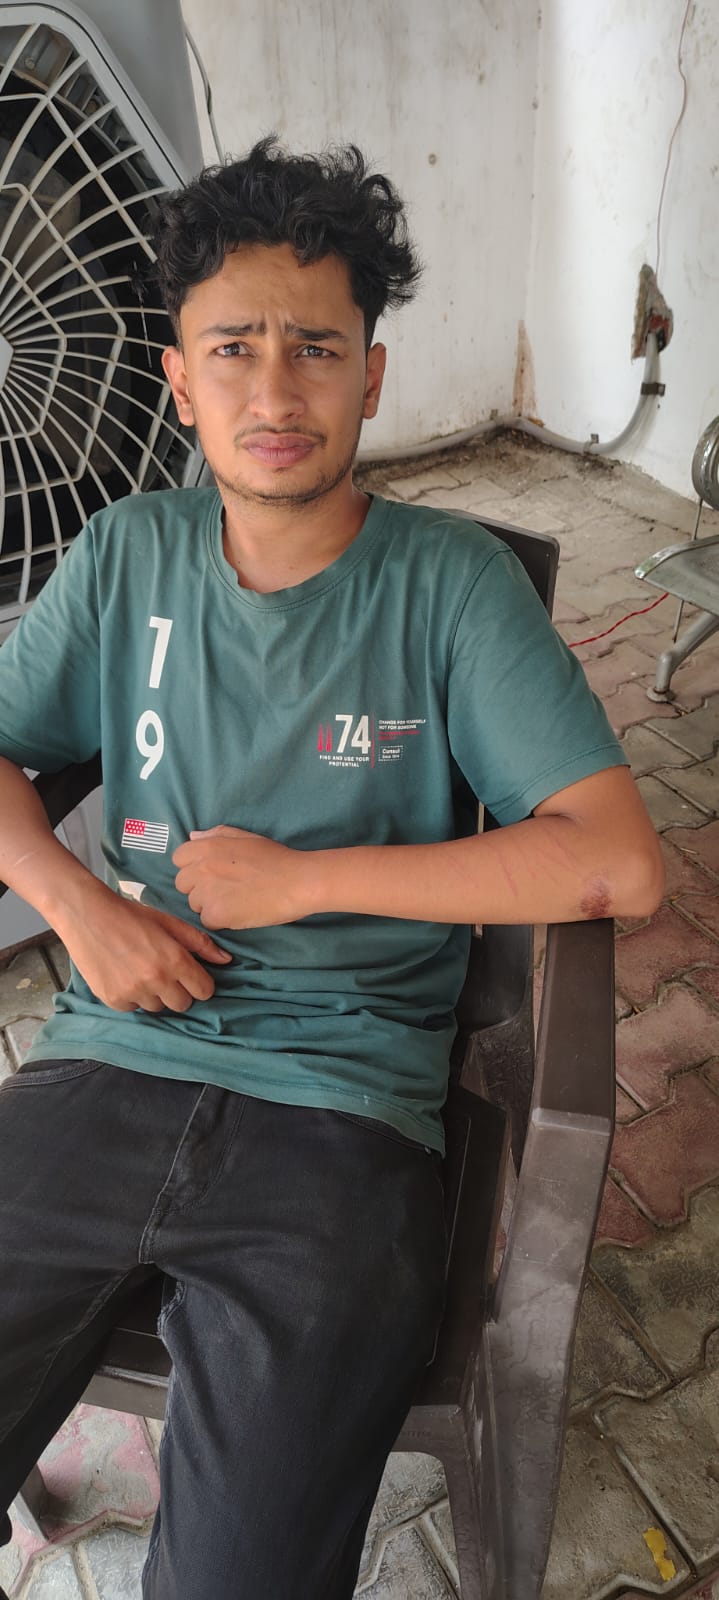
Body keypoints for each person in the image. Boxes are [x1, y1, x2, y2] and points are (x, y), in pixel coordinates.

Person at [0, 137, 663, 1599]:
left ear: (371, 377)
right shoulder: (123, 555)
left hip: (344, 1121)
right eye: (232, 348)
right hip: (107, 1063)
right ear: (180, 384)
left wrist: (309, 880)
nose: (275, 390)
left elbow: (616, 862)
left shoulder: (451, 584)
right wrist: (73, 903)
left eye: (316, 347)